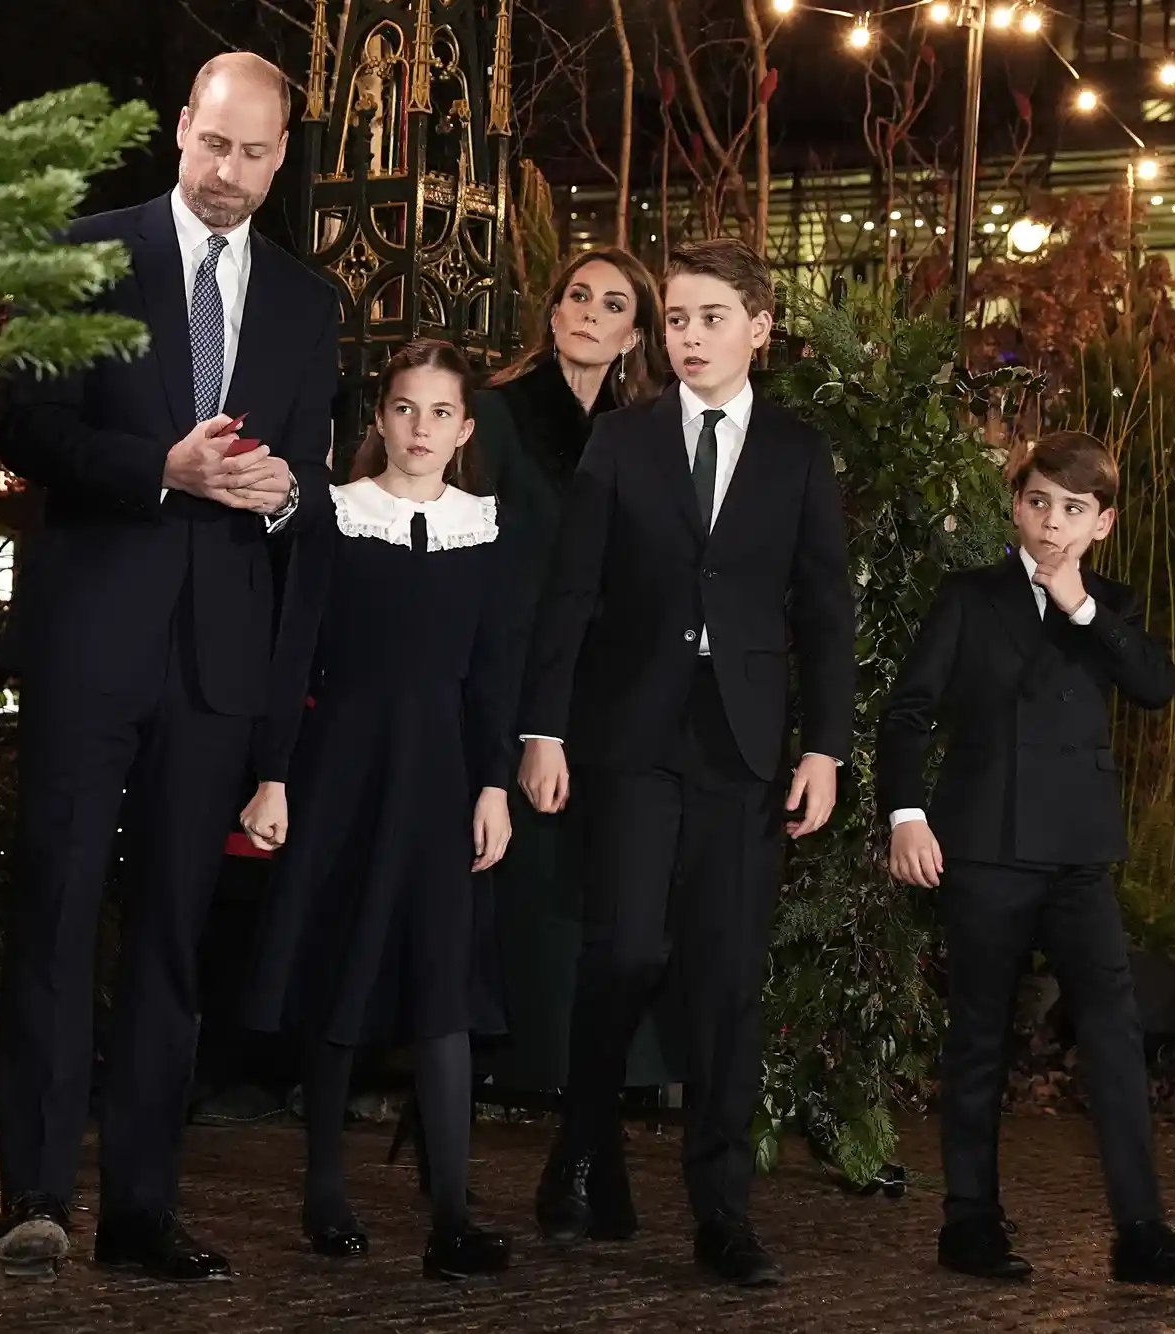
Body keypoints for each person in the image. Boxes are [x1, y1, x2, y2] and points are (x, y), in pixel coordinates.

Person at [0, 51, 339, 1282]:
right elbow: (21, 426)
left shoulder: (308, 303)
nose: (229, 173)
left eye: (254, 154)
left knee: (175, 941)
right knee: (58, 912)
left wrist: (287, 494)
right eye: (212, 145)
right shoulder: (85, 251)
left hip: (215, 663)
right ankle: (32, 1194)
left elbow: (303, 495)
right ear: (180, 129)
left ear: (281, 154)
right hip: (90, 642)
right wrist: (159, 469)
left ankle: (139, 1205)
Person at [518, 237, 855, 1287]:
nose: (689, 335)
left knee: (722, 979)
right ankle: (579, 1148)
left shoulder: (798, 454)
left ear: (758, 327)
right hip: (629, 735)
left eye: (711, 317)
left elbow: (825, 611)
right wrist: (542, 728)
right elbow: (568, 592)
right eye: (675, 320)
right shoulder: (620, 442)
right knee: (620, 950)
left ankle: (722, 1211)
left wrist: (825, 745)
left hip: (744, 745)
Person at [878, 430, 1175, 1288]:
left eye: (1073, 509)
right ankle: (970, 1223)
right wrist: (906, 815)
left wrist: (1081, 607)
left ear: (1101, 522)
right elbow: (908, 711)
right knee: (980, 1036)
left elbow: (1156, 686)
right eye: (1038, 503)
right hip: (983, 849)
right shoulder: (968, 597)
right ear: (1016, 506)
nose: (1051, 523)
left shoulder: (1113, 608)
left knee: (1113, 1034)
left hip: (1079, 858)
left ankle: (1141, 1232)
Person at [238, 339, 519, 1281]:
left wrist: (493, 786)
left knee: (443, 991)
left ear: (465, 430)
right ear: (381, 420)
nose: (421, 429)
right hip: (343, 772)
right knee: (340, 974)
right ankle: (326, 1194)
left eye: (441, 414)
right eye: (405, 409)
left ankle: (451, 1216)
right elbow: (292, 647)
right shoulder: (334, 516)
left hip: (444, 779)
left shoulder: (485, 528)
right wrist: (272, 773)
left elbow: (493, 675)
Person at [458, 247, 666, 1228]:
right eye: (575, 294)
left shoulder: (637, 434)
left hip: (616, 704)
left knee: (617, 932)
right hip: (514, 695)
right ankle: (573, 1155)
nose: (587, 311)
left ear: (633, 334)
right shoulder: (495, 413)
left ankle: (586, 1152)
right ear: (551, 311)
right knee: (534, 934)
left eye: (610, 303)